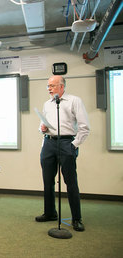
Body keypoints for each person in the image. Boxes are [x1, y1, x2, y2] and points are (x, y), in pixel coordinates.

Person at [36, 75, 90, 232]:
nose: (49, 89)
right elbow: (42, 125)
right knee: (48, 181)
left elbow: (84, 126)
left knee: (71, 182)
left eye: (52, 86)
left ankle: (77, 219)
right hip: (48, 143)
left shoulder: (74, 101)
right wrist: (42, 129)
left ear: (62, 86)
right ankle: (50, 213)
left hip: (67, 143)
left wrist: (74, 145)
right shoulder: (47, 104)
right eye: (48, 86)